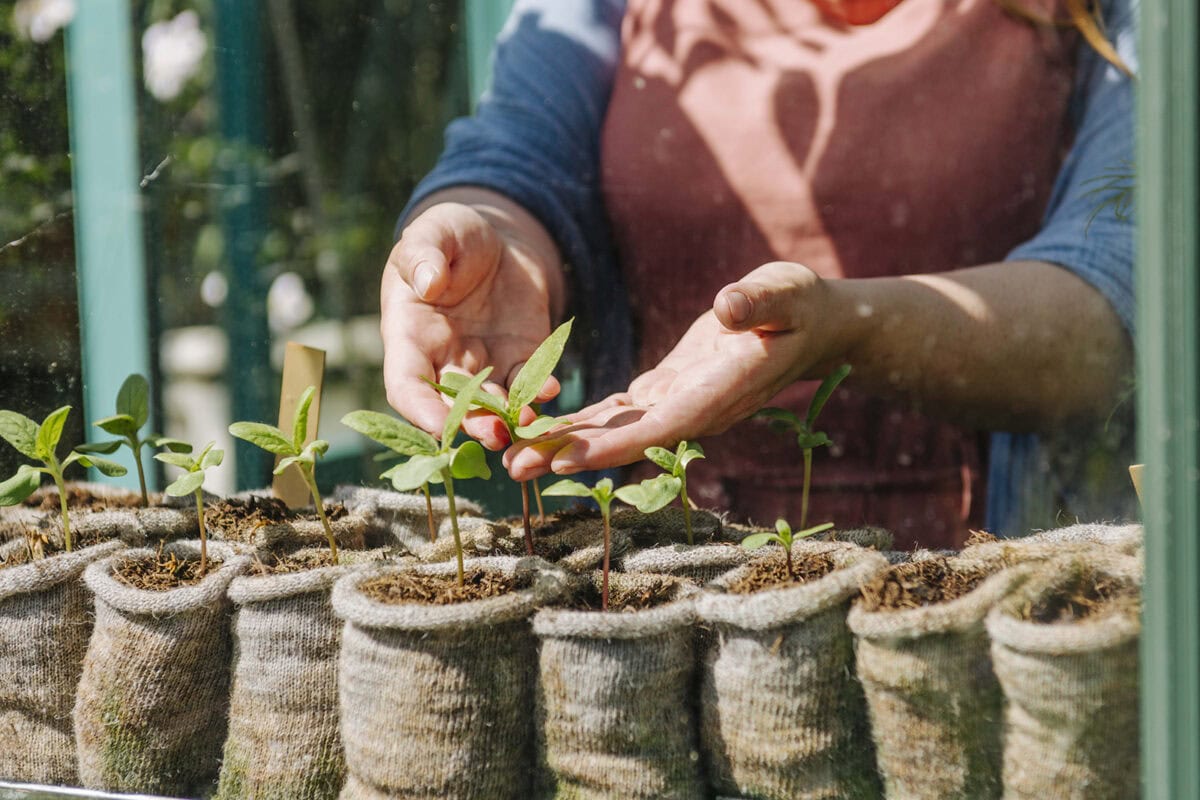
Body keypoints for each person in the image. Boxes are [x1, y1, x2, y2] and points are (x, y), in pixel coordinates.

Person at [381, 0, 1137, 548]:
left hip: (982, 592)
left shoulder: (1111, 20)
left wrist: (848, 330)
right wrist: (493, 237)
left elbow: (1117, 299)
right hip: (657, 584)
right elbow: (516, 151)